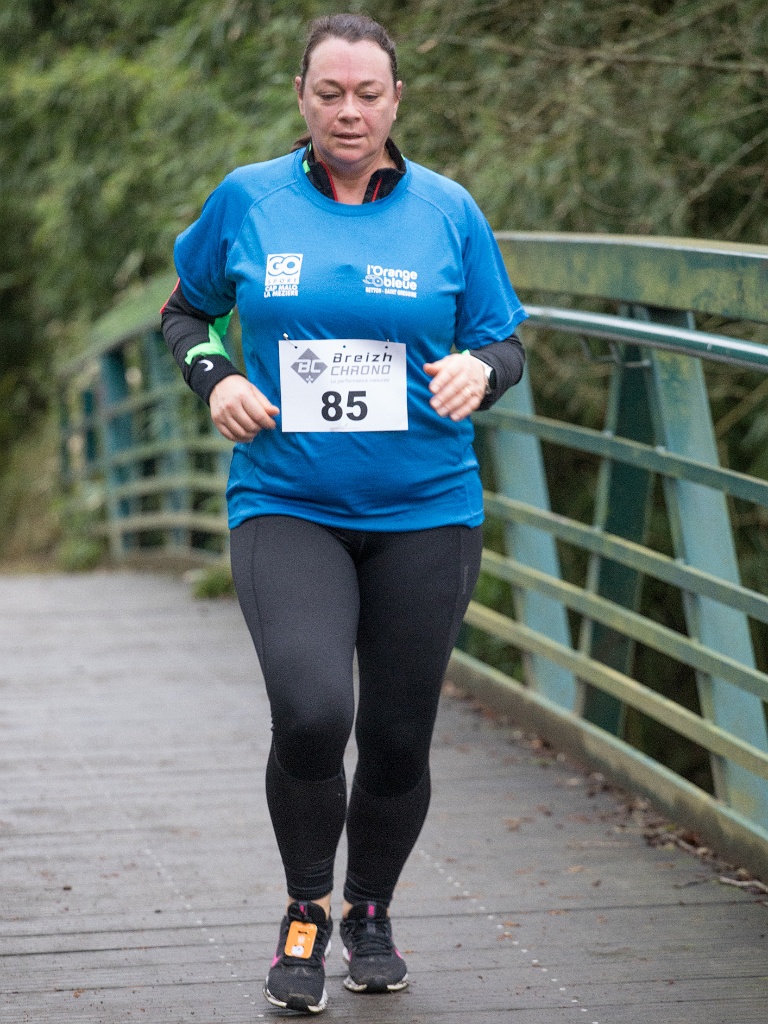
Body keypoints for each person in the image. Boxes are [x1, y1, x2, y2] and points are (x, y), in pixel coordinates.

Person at [162, 12, 527, 1014]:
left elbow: (503, 340)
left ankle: (370, 909)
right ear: (302, 96)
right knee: (315, 709)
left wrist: (481, 372)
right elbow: (185, 312)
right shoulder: (250, 199)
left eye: (369, 94)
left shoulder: (449, 210)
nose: (350, 111)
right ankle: (305, 906)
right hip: (288, 503)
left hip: (427, 510)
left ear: (396, 100)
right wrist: (217, 378)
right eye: (330, 93)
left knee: (399, 737)